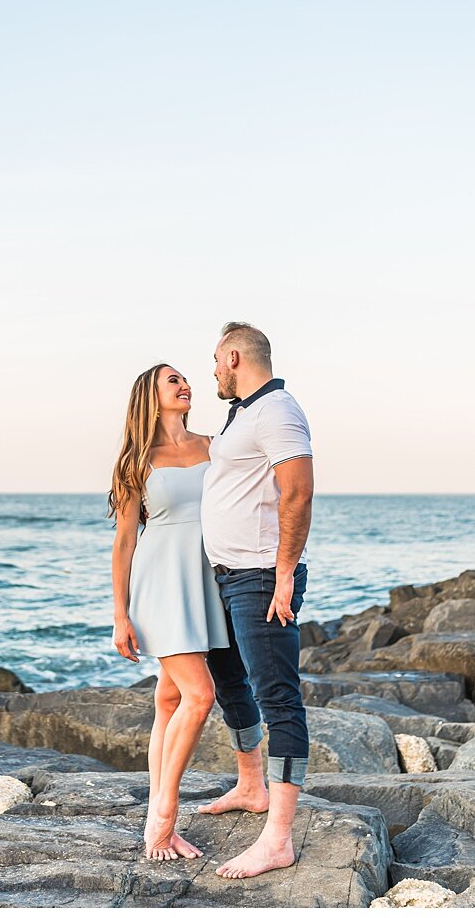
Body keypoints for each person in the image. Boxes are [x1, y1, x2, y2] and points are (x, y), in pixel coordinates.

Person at [191, 322, 316, 880]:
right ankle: (250, 785)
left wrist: (285, 571)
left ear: (235, 356)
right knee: (229, 682)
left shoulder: (277, 410)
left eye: (216, 360)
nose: (212, 370)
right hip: (225, 577)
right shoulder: (243, 412)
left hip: (261, 578)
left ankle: (279, 839)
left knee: (279, 700)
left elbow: (299, 490)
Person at [109, 363, 230, 862]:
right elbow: (122, 544)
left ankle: (154, 810)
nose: (185, 385)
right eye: (171, 380)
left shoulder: (213, 444)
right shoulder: (137, 461)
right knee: (200, 696)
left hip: (207, 581)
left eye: (185, 378)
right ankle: (162, 821)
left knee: (169, 699)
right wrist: (120, 615)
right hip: (159, 583)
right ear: (150, 396)